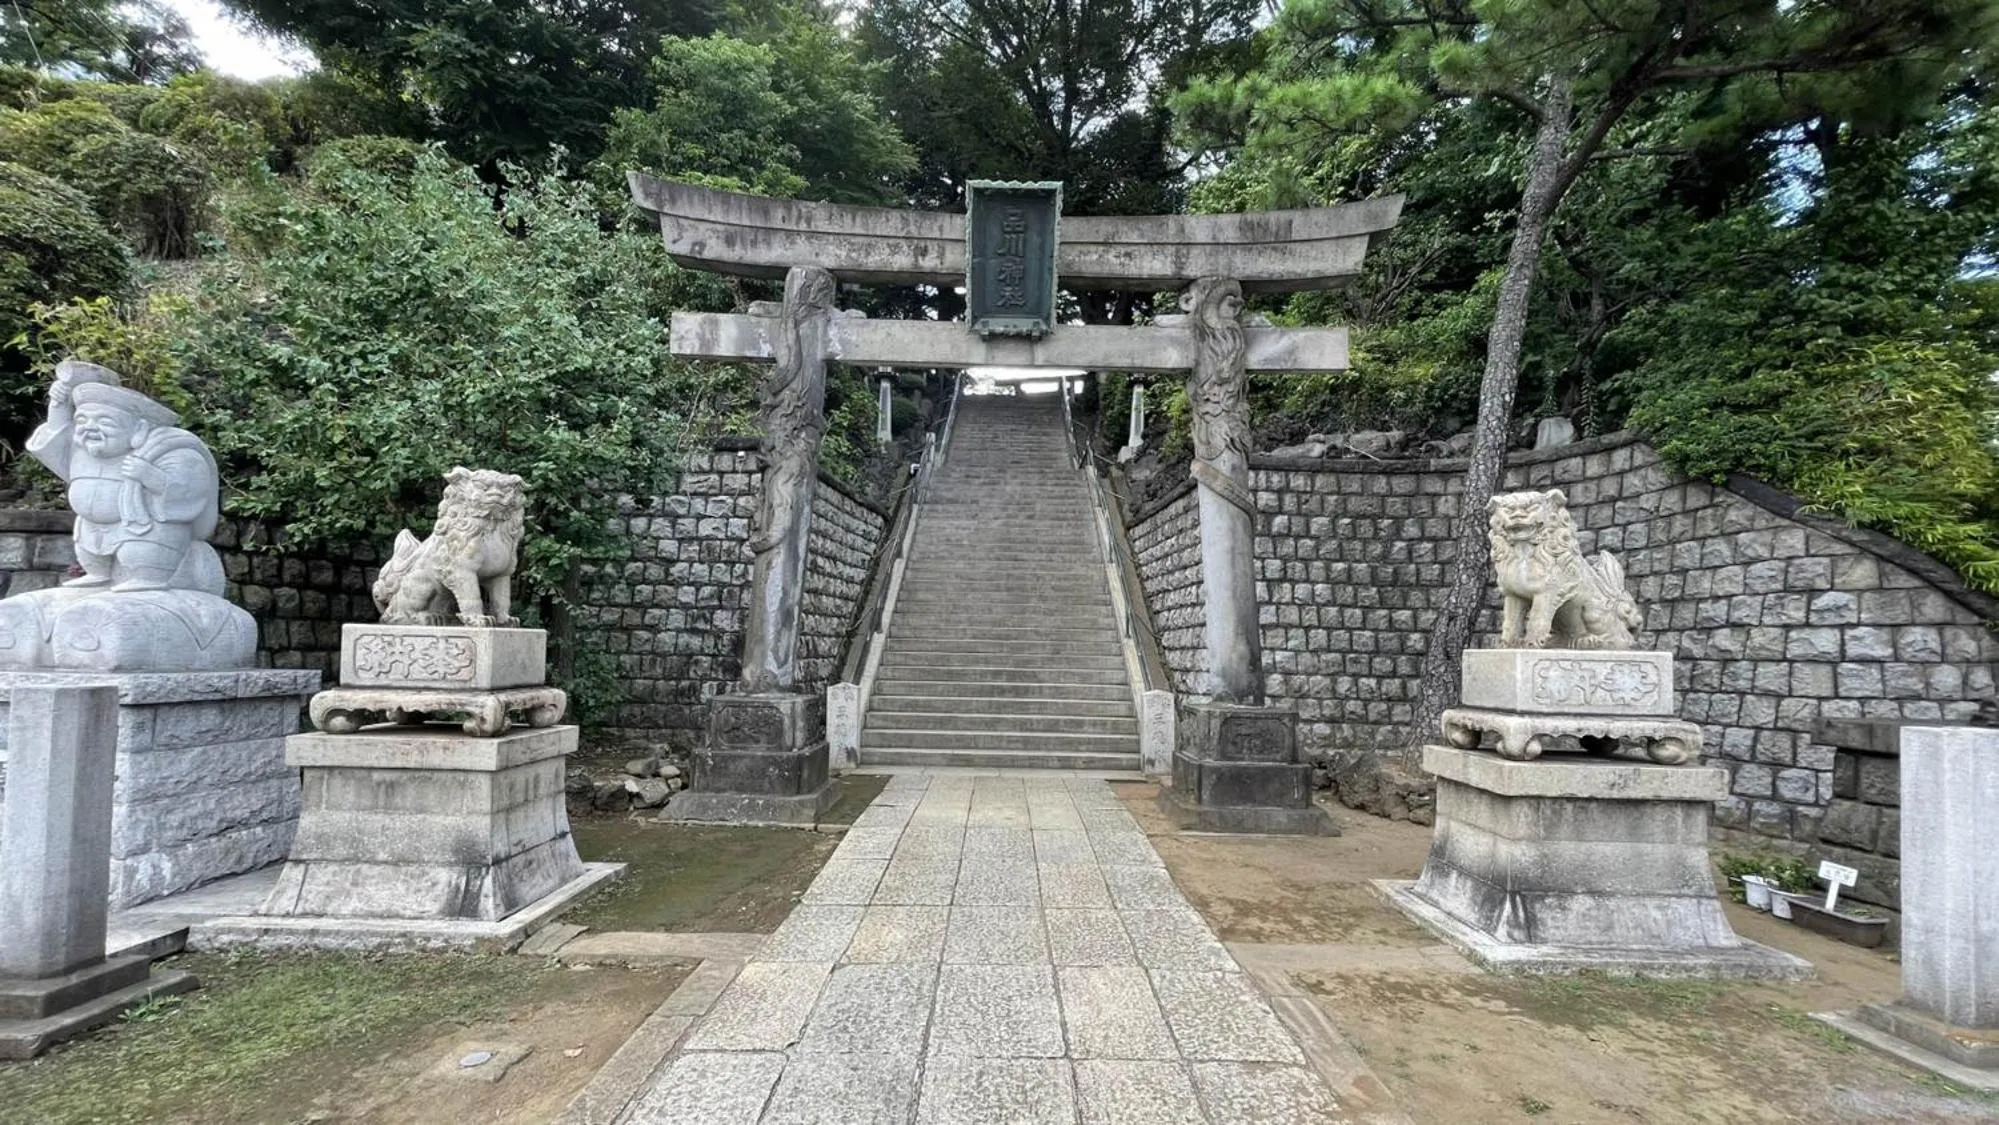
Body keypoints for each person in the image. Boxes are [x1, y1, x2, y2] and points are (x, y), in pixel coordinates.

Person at [24, 364, 223, 594]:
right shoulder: (83, 450)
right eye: (82, 420)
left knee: (145, 548)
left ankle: (148, 577)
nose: (90, 428)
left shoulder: (168, 449)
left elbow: (189, 489)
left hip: (141, 529)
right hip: (92, 527)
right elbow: (55, 442)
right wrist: (59, 405)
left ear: (138, 428)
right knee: (88, 544)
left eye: (104, 422)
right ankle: (97, 573)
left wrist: (151, 477)